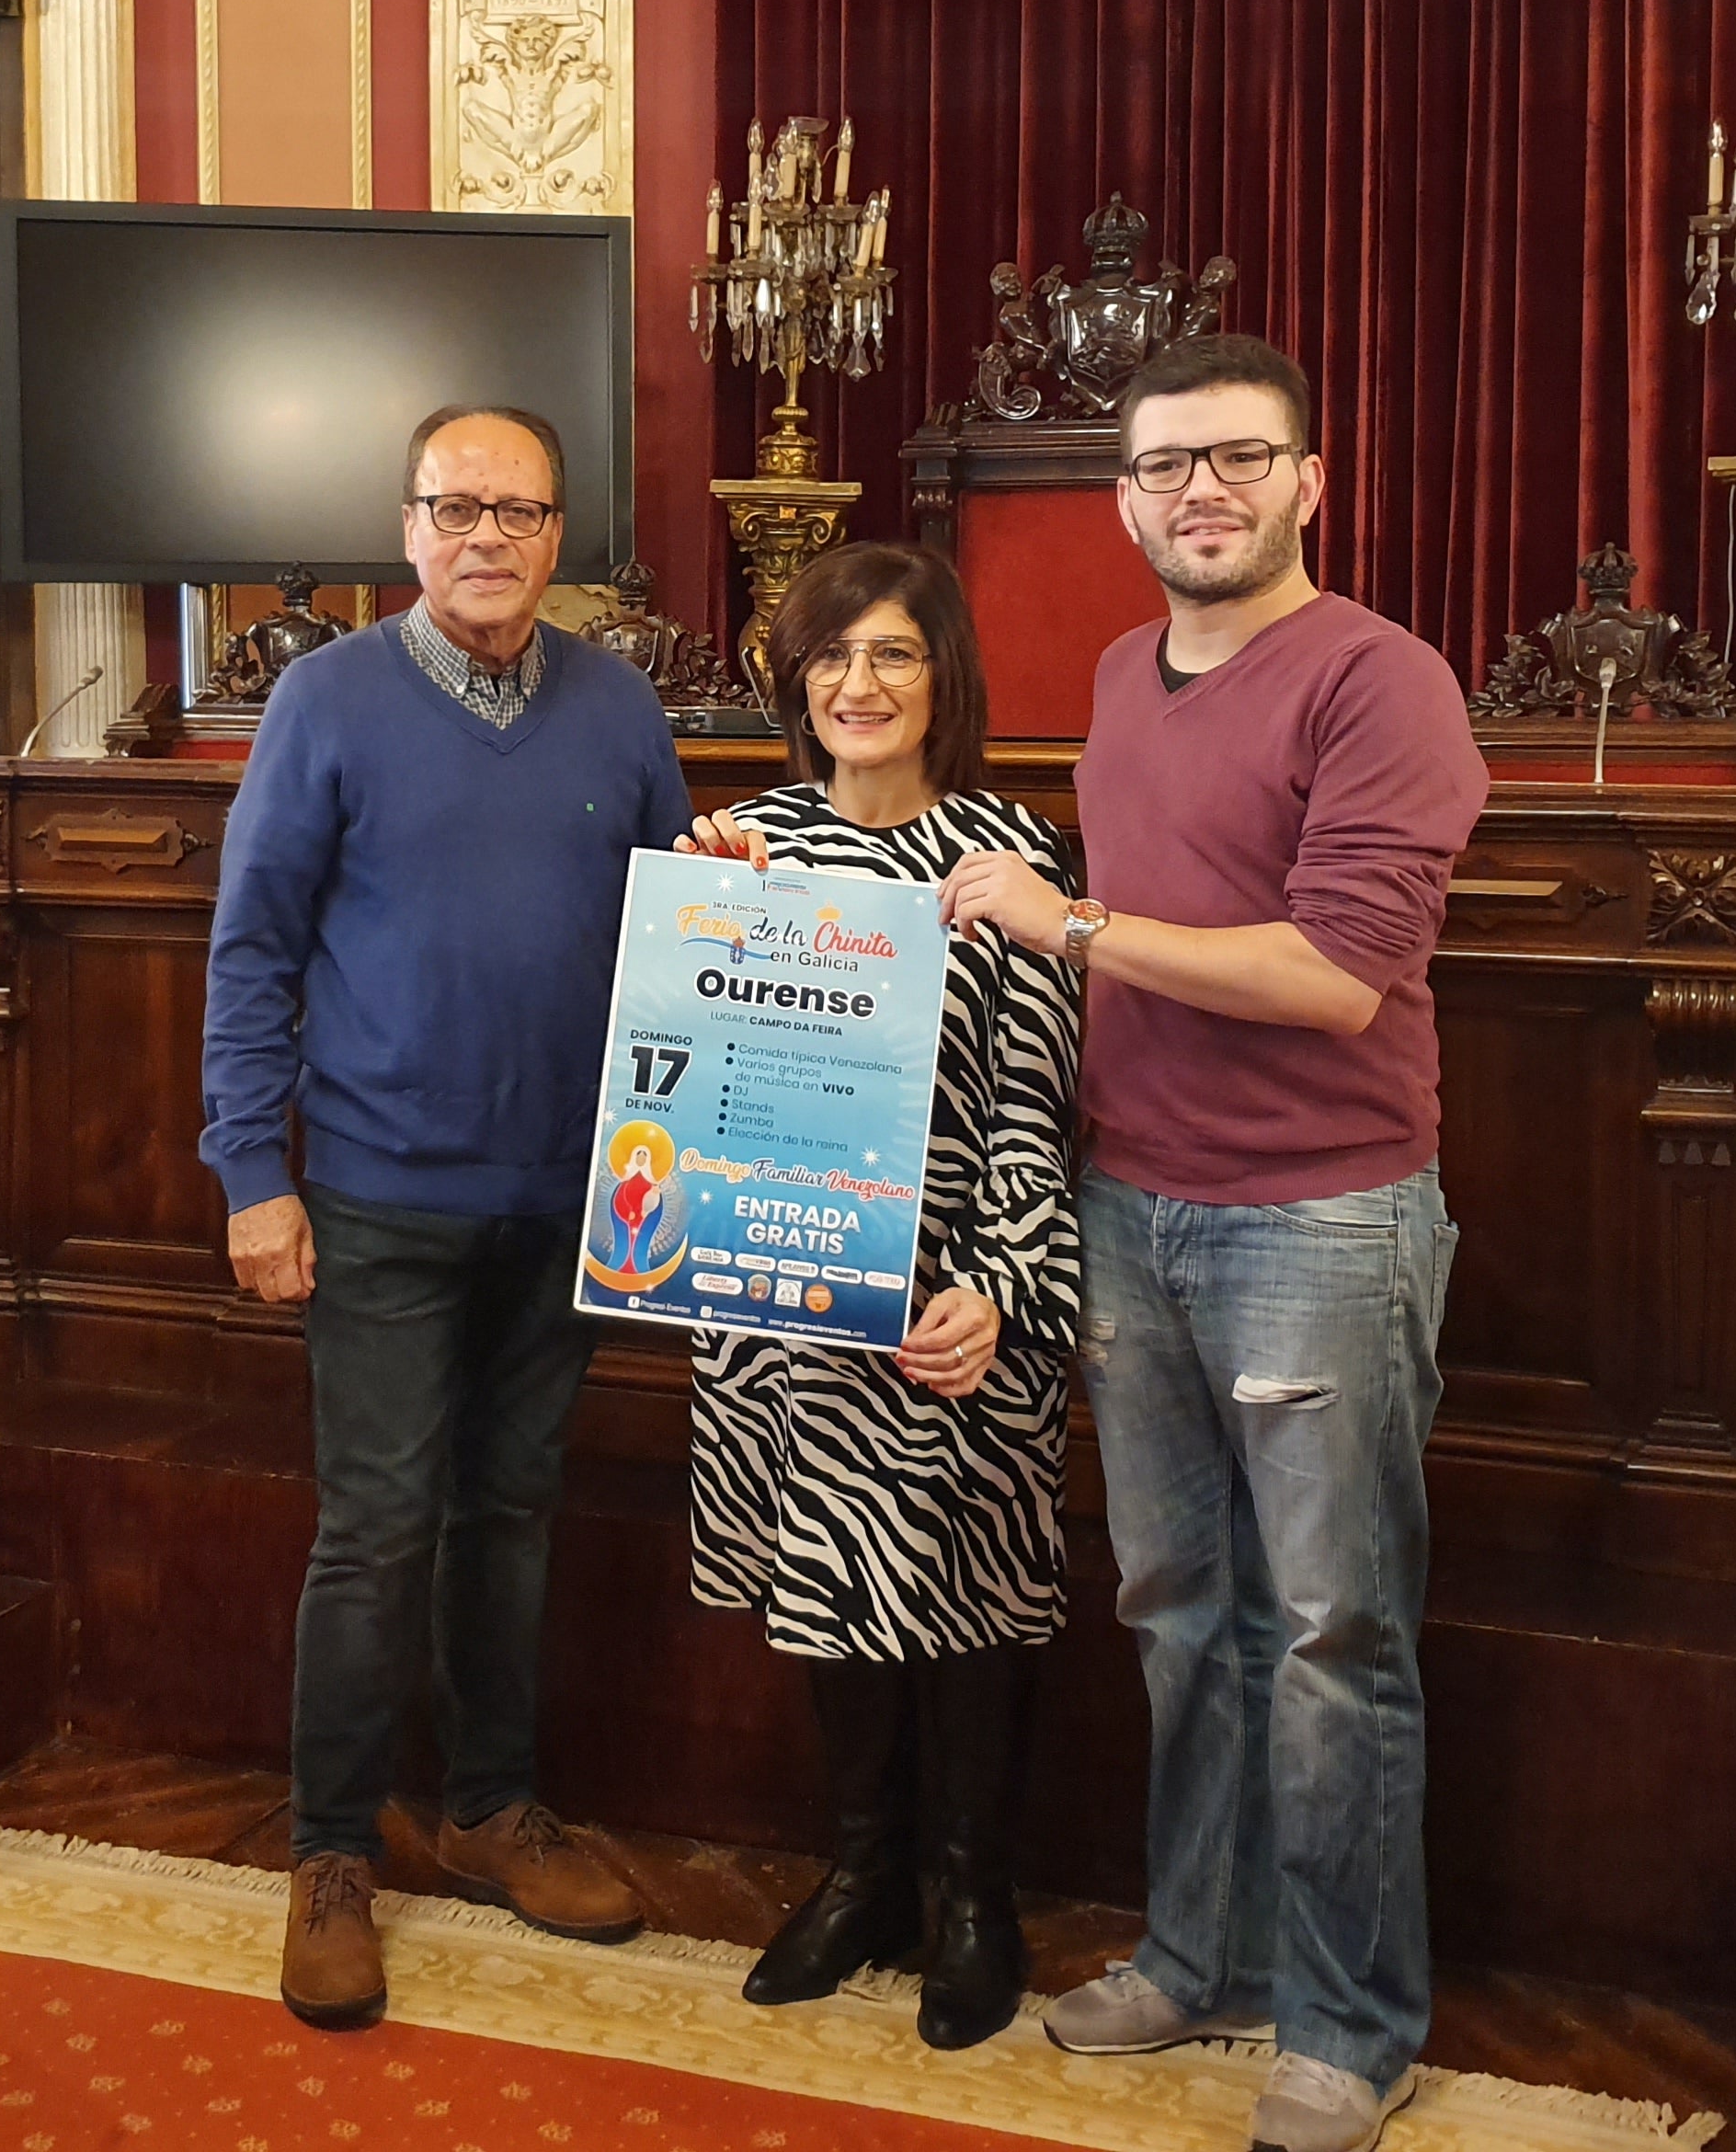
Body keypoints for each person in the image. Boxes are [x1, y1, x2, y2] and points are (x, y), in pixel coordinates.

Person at [936, 335, 1484, 2152]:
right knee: (1181, 1615)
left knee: (1332, 1638)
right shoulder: (1119, 670)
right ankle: (1202, 1955)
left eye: (1241, 457)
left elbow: (1335, 977)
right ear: (1123, 499)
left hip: (1320, 1216)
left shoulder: (1380, 680)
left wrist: (1071, 926)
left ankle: (1346, 2025)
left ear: (1310, 479)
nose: (1203, 492)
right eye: (1168, 464)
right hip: (1131, 1204)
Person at [200, 403, 692, 2032]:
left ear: (560, 534)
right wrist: (251, 1172)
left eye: (519, 510)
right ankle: (333, 1850)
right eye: (456, 506)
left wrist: (737, 893)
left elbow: (671, 937)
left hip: (569, 1203)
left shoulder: (619, 705)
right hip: (376, 1195)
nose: (487, 535)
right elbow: (253, 948)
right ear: (407, 526)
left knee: (513, 1513)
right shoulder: (325, 698)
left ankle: (489, 1808)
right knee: (377, 1529)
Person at [669, 543, 1084, 2054]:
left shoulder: (1010, 857)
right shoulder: (743, 849)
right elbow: (681, 1075)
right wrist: (694, 923)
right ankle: (864, 1875)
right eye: (831, 656)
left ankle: (973, 1893)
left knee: (963, 1586)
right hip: (780, 1294)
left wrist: (1001, 1288)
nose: (859, 684)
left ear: (943, 675)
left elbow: (1037, 1107)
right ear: (796, 683)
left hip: (955, 1307)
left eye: (893, 652)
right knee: (823, 1573)